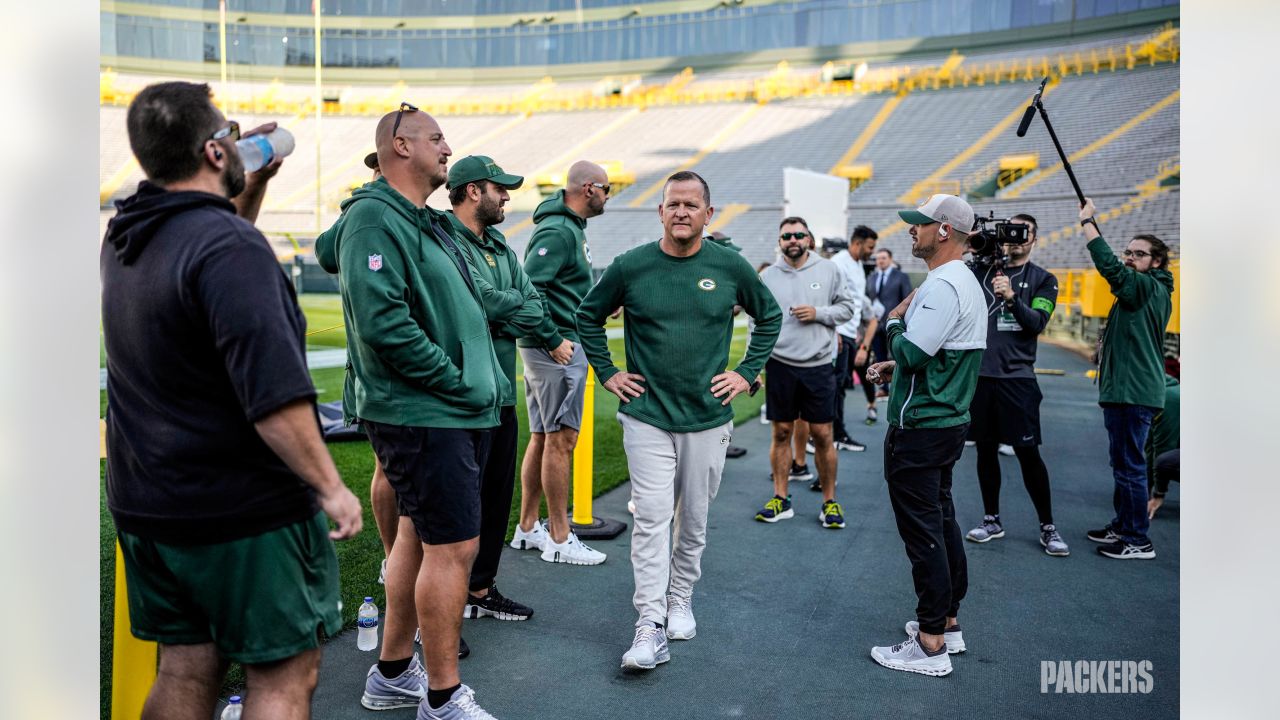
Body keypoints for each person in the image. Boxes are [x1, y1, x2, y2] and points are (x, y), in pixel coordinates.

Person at [102, 81, 362, 720]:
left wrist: (255, 182)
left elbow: (207, 251)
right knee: (283, 675)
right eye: (227, 134)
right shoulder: (231, 249)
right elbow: (274, 401)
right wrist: (331, 487)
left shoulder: (125, 236)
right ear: (216, 153)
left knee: (186, 668)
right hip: (239, 510)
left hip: (152, 502)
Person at [323, 104, 503, 719]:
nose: (448, 148)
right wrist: (453, 381)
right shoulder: (377, 217)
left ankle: (394, 673)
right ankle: (442, 698)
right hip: (427, 412)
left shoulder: (411, 215)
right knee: (452, 548)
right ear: (401, 146)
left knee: (417, 537)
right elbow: (384, 325)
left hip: (447, 410)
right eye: (436, 138)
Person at [576, 171, 782, 671]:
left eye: (692, 205)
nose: (682, 212)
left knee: (693, 516)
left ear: (709, 214)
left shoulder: (730, 265)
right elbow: (587, 317)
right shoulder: (631, 266)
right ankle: (648, 622)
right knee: (650, 517)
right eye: (673, 204)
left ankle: (680, 596)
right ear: (661, 212)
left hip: (708, 417)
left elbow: (770, 316)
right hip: (646, 414)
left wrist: (745, 373)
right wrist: (607, 373)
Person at [865, 194, 985, 677]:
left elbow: (915, 352)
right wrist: (900, 362)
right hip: (946, 419)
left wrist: (893, 326)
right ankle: (948, 623)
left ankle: (931, 641)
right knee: (941, 518)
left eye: (919, 225)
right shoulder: (962, 281)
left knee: (924, 533)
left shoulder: (943, 285)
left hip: (923, 427)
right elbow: (938, 354)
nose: (911, 231)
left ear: (943, 231)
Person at [446, 155, 553, 623]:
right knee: (452, 510)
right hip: (460, 397)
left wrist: (500, 307)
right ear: (473, 191)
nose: (507, 196)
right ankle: (440, 610)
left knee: (495, 499)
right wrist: (501, 305)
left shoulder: (503, 249)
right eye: (499, 188)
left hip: (501, 394)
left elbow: (532, 305)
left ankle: (481, 589)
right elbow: (479, 302)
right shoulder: (444, 239)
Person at [512, 160, 611, 566]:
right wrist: (552, 339)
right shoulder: (557, 229)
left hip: (554, 345)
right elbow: (529, 287)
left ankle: (527, 527)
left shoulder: (569, 228)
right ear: (589, 188)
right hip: (555, 348)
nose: (609, 195)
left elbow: (565, 290)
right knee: (561, 440)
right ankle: (558, 536)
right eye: (607, 188)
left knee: (542, 435)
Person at [961, 214, 1070, 557]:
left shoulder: (1043, 279)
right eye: (1010, 232)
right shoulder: (978, 270)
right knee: (984, 449)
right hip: (980, 376)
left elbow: (1036, 323)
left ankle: (1047, 526)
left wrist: (1010, 297)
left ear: (1035, 239)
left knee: (1027, 453)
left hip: (1017, 378)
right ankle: (991, 518)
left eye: (1024, 234)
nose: (1016, 239)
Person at [1078, 198, 1174, 560]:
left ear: (1156, 261)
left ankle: (1137, 539)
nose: (1130, 257)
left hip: (1134, 393)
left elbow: (1113, 272)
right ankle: (1124, 524)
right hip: (1125, 390)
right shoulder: (1144, 289)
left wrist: (1089, 225)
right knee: (1123, 464)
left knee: (1131, 466)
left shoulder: (1147, 287)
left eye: (1139, 253)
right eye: (1128, 252)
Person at [755, 217, 857, 528]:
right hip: (780, 364)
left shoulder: (829, 269)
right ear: (780, 241)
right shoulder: (768, 276)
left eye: (799, 235)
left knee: (823, 434)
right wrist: (753, 367)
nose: (793, 240)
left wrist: (819, 314)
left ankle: (829, 502)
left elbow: (848, 308)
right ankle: (781, 498)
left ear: (809, 239)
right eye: (787, 236)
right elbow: (759, 323)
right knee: (782, 432)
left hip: (818, 365)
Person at [829, 224, 879, 440]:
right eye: (869, 246)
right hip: (839, 333)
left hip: (850, 334)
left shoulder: (858, 265)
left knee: (840, 385)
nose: (872, 251)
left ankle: (835, 432)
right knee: (835, 385)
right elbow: (828, 297)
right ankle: (835, 434)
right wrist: (835, 332)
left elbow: (857, 303)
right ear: (857, 243)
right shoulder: (838, 263)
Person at [867, 247, 914, 383]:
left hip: (893, 324)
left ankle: (897, 383)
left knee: (895, 355)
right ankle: (883, 386)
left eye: (883, 258)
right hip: (875, 325)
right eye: (877, 258)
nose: (880, 261)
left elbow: (907, 300)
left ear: (890, 259)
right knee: (879, 356)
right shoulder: (871, 277)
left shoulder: (901, 276)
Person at [1146, 373, 1180, 519]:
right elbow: (1149, 448)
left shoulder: (1169, 399)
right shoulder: (1159, 393)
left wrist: (1158, 494)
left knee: (1165, 461)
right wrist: (1142, 492)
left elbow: (1162, 449)